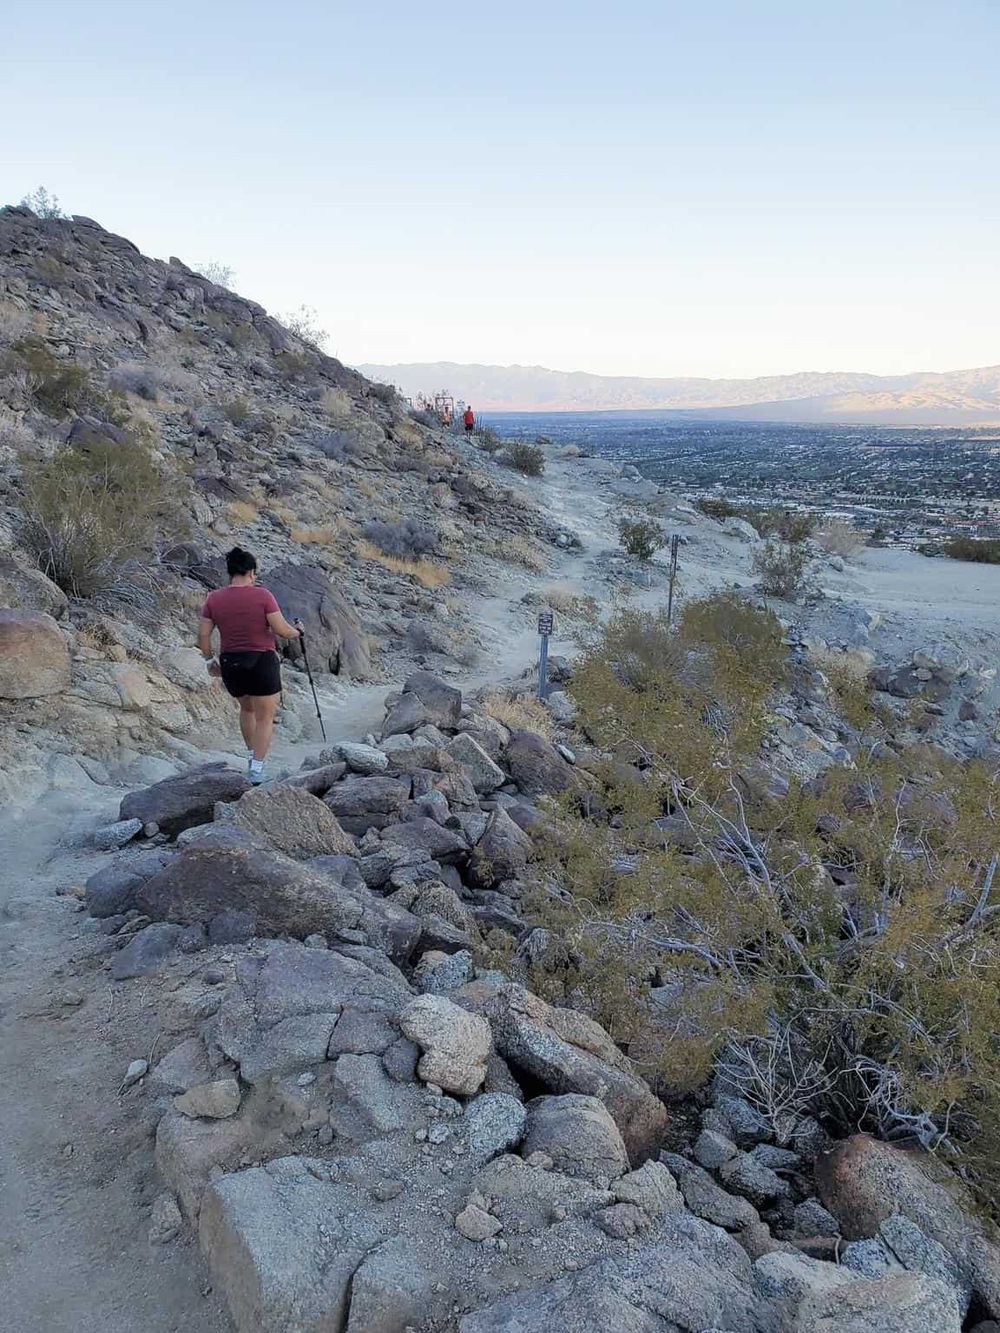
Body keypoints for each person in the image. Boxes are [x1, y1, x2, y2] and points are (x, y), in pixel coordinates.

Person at [197, 547, 302, 784]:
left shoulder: (214, 598)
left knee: (247, 710)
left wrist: (209, 660)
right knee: (265, 717)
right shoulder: (263, 595)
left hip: (231, 662)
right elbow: (281, 629)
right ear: (251, 572)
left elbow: (203, 635)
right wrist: (297, 632)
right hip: (261, 660)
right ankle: (256, 769)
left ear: (230, 571)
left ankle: (250, 756)